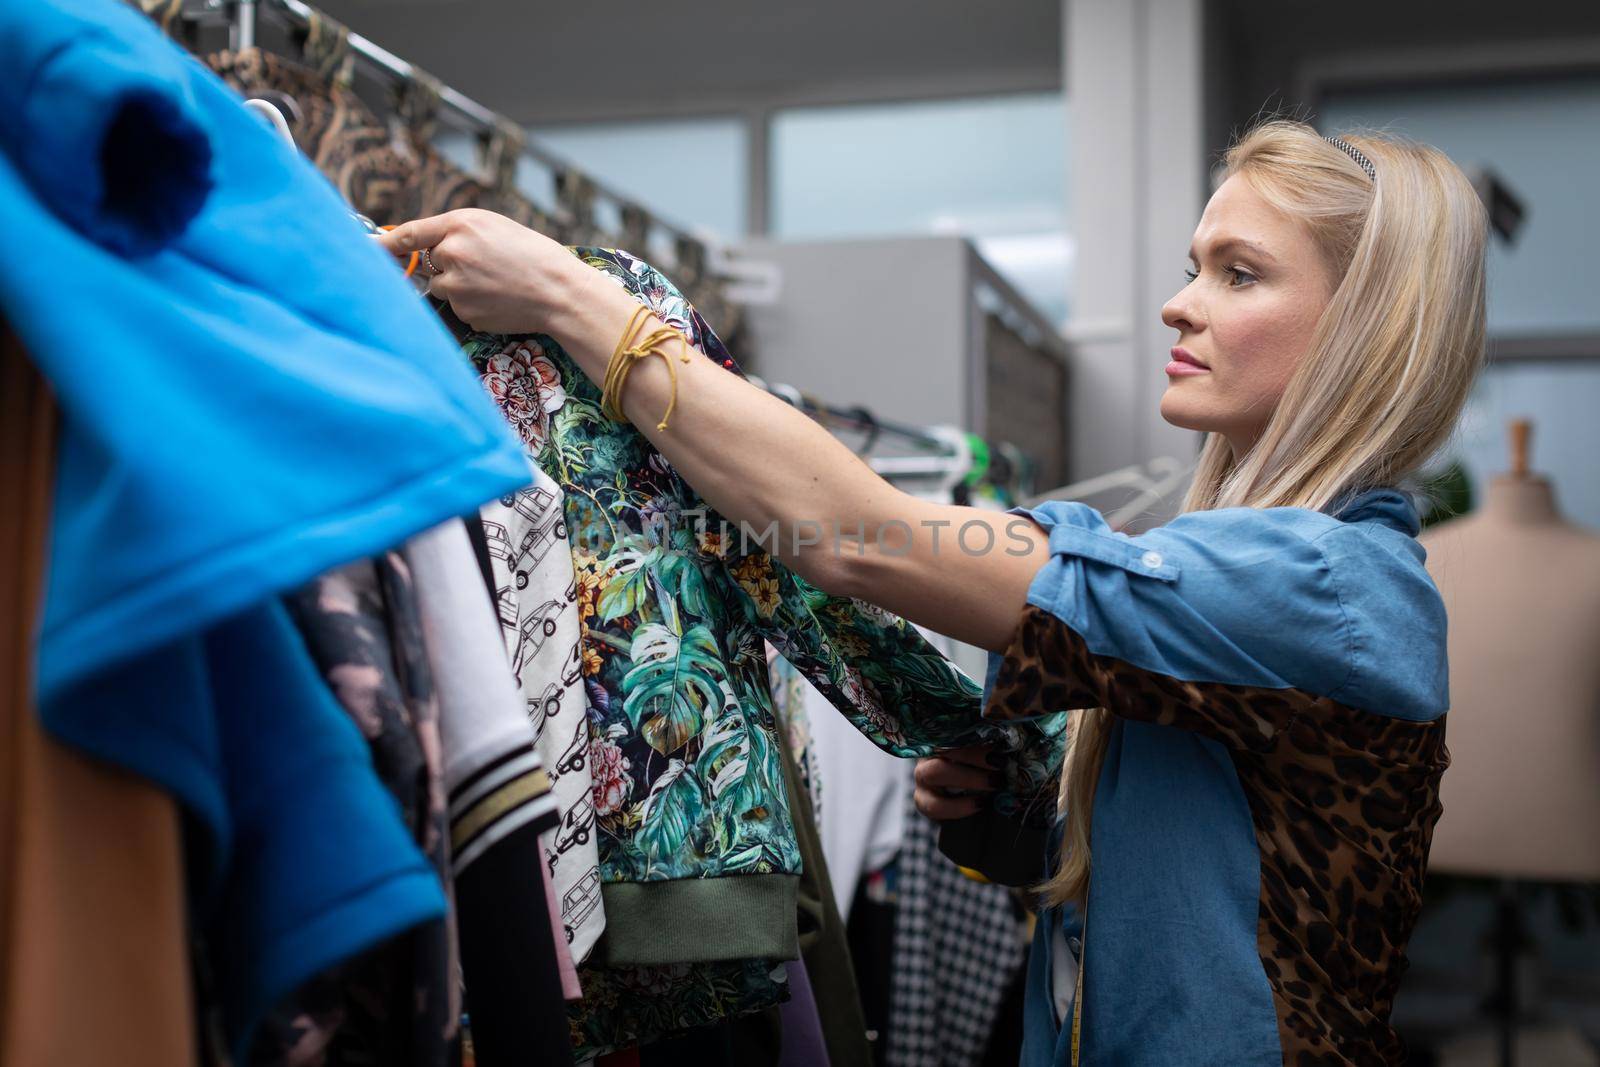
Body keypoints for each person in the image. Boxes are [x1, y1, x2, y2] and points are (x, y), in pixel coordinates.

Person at [380, 119, 1486, 1066]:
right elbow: (1204, 888)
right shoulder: (1243, 566)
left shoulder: (1324, 585)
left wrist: (584, 303)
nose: (1176, 304)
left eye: (1237, 274)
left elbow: (863, 537)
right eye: (1195, 264)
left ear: (1363, 327)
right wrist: (1020, 821)